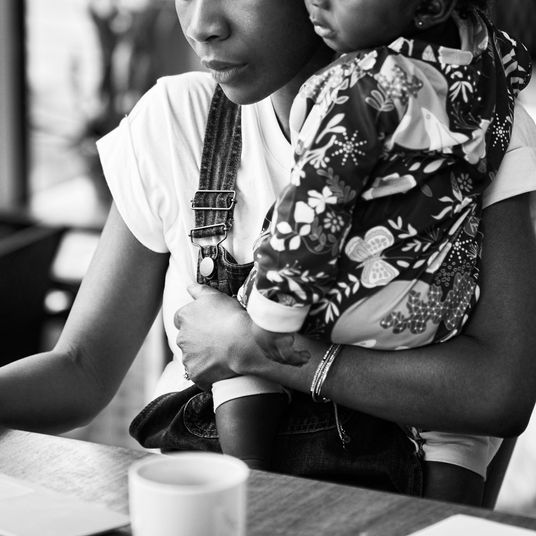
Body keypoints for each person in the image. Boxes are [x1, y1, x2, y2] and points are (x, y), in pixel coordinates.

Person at [0, 0, 535, 506]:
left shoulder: (468, 127)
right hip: (198, 503)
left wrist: (252, 351)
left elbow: (500, 394)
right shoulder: (177, 119)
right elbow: (82, 369)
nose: (202, 24)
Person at [202, 0, 532, 502]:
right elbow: (519, 66)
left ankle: (250, 474)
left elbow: (317, 200)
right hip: (440, 304)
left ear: (428, 5)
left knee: (241, 323)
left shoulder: (359, 85)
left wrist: (267, 319)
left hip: (355, 300)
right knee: (458, 434)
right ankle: (449, 498)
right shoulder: (488, 54)